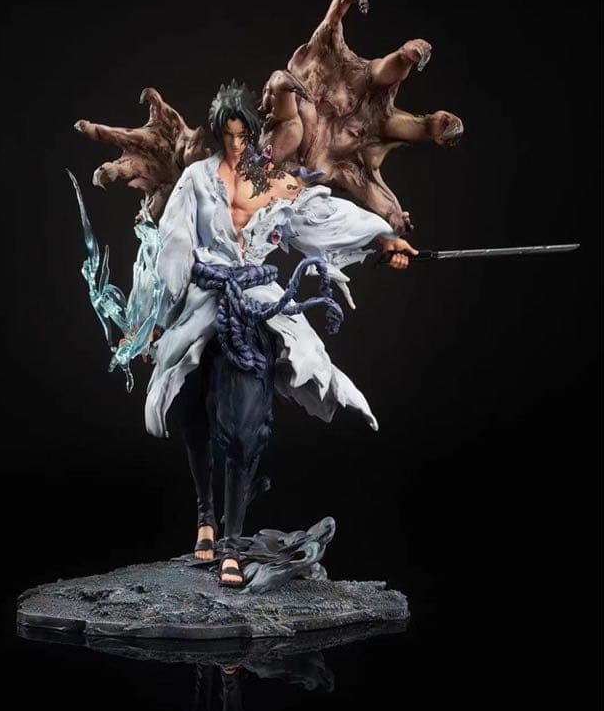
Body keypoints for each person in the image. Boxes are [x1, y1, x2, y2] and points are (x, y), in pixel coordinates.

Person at [143, 82, 416, 586]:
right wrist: (154, 320)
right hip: (204, 297)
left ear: (254, 133)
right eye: (226, 135)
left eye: (241, 134)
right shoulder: (196, 179)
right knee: (186, 395)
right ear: (216, 134)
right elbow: (173, 244)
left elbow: (323, 216)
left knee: (245, 426)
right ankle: (205, 515)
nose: (234, 144)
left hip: (258, 299)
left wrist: (383, 237)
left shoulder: (275, 182)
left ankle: (232, 542)